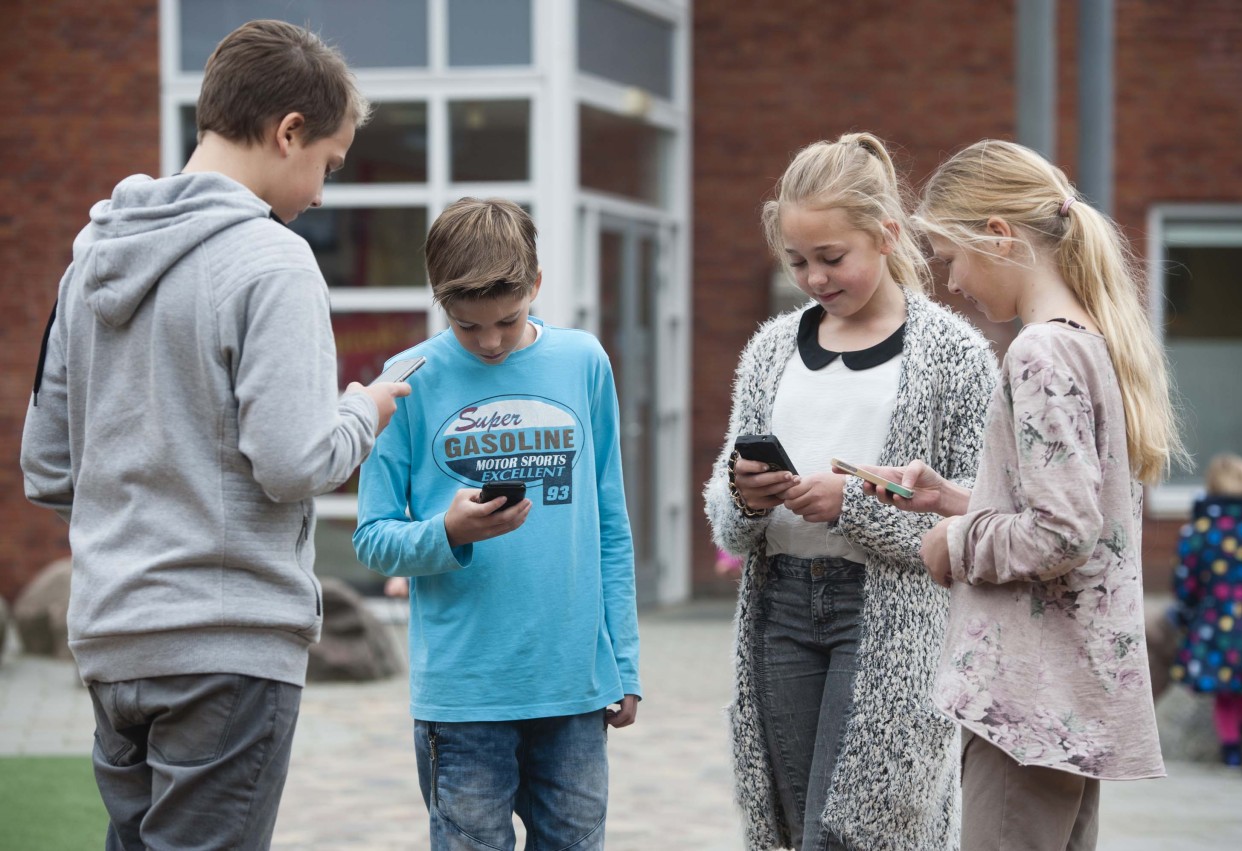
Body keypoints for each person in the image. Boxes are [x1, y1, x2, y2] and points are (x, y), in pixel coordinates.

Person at [18, 20, 408, 851]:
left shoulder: (89, 260)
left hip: (112, 642)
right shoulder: (272, 260)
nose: (322, 194)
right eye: (328, 166)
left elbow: (48, 465)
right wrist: (364, 412)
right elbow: (294, 459)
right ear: (288, 131)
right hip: (225, 647)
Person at [861, 139, 1184, 851]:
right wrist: (956, 498)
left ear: (999, 236)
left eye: (951, 257)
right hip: (1065, 695)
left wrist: (954, 542)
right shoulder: (1089, 343)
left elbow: (1061, 533)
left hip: (1027, 699)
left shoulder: (1039, 352)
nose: (951, 283)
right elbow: (1073, 504)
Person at [704, 132, 996, 850]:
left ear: (887, 235)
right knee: (795, 828)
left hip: (890, 618)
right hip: (779, 607)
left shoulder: (955, 357)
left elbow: (973, 524)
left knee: (859, 834)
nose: (814, 277)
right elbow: (725, 517)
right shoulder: (772, 349)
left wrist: (853, 506)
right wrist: (745, 494)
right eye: (797, 261)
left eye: (832, 257)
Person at [352, 197, 641, 851]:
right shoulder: (404, 380)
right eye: (467, 324)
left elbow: (611, 527)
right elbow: (372, 537)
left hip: (573, 689)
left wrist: (623, 661)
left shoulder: (583, 362)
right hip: (463, 697)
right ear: (439, 302)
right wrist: (447, 532)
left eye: (506, 321)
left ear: (536, 284)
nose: (489, 342)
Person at [1170, 453, 1242, 767]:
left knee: (1224, 690)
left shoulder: (1197, 532)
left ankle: (1231, 745)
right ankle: (1236, 734)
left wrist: (1187, 613)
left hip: (1212, 622)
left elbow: (1185, 582)